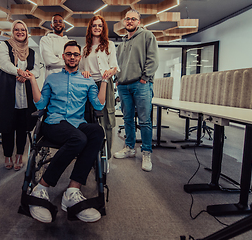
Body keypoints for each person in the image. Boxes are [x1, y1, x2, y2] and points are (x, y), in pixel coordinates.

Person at [24, 40, 108, 223]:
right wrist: (32, 80)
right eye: (68, 54)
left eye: (75, 54)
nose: (72, 57)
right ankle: (41, 187)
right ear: (63, 56)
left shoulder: (87, 80)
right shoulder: (52, 78)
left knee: (96, 131)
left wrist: (105, 81)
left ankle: (72, 190)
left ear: (80, 57)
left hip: (77, 123)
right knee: (78, 139)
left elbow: (98, 104)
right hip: (54, 123)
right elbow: (40, 104)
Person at [0, 20, 40, 171]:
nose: (20, 32)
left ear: (26, 32)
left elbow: (37, 70)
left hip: (25, 94)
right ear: (12, 31)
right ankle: (7, 155)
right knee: (7, 126)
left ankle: (19, 155)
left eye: (23, 30)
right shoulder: (4, 46)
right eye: (16, 30)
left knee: (23, 127)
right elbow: (4, 63)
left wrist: (27, 75)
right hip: (7, 93)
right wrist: (19, 71)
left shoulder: (32, 52)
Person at [113, 9, 159, 172]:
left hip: (141, 84)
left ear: (139, 22)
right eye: (127, 19)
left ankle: (146, 152)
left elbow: (153, 59)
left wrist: (145, 77)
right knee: (127, 119)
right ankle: (129, 148)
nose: (130, 21)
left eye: (133, 19)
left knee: (145, 121)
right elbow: (117, 64)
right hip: (124, 86)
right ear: (124, 22)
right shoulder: (122, 43)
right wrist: (117, 80)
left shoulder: (147, 36)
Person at [79, 15, 119, 160]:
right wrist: (84, 72)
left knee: (106, 119)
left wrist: (110, 71)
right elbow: (81, 69)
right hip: (89, 86)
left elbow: (115, 66)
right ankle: (90, 156)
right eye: (94, 25)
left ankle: (105, 156)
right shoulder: (85, 49)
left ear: (103, 28)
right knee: (89, 118)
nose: (97, 28)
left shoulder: (110, 45)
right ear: (90, 28)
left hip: (105, 84)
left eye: (100, 25)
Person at [39, 14, 71, 79]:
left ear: (64, 25)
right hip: (51, 79)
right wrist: (67, 61)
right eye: (55, 22)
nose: (58, 23)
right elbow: (49, 61)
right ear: (51, 25)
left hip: (67, 79)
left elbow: (75, 61)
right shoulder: (45, 40)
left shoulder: (69, 42)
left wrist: (57, 57)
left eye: (60, 21)